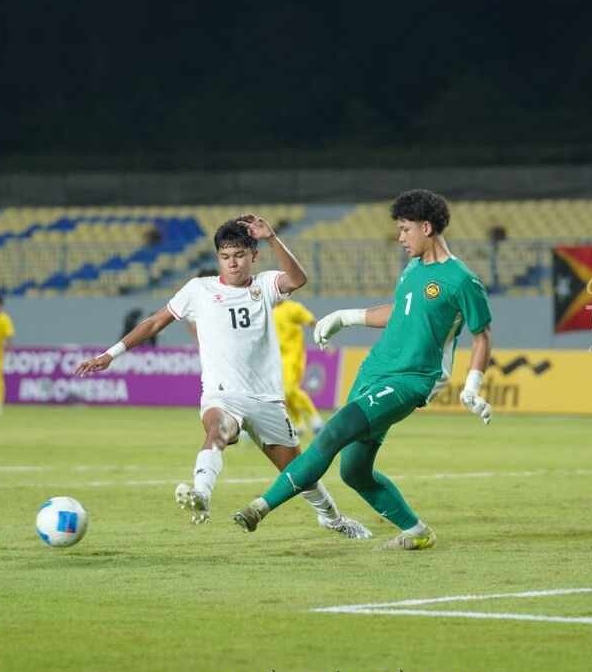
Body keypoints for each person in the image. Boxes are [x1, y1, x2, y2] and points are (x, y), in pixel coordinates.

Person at [74, 215, 370, 540]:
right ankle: (201, 493)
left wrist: (271, 237)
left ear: (253, 256)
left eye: (240, 255)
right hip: (221, 394)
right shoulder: (198, 290)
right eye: (226, 256)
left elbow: (298, 279)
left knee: (300, 473)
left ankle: (332, 518)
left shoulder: (264, 285)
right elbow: (155, 323)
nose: (233, 263)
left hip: (266, 399)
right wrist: (110, 354)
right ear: (217, 258)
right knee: (219, 429)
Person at [232, 190, 494, 550]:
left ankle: (259, 508)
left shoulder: (462, 280)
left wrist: (473, 386)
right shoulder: (414, 269)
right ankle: (418, 532)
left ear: (427, 227)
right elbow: (402, 312)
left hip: (411, 381)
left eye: (405, 230)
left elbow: (482, 336)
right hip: (374, 372)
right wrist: (347, 317)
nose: (400, 238)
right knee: (353, 471)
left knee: (333, 432)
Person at [273, 299, 325, 437]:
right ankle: (298, 424)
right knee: (284, 394)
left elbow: (311, 321)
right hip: (279, 359)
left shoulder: (293, 308)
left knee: (290, 390)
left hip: (294, 356)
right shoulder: (270, 310)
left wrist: (324, 335)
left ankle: (315, 419)